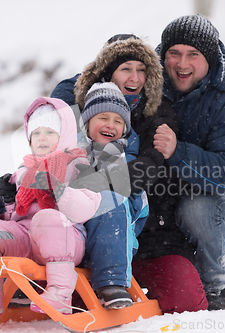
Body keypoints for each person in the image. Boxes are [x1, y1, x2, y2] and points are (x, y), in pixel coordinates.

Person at [51, 35, 209, 314]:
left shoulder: (158, 112)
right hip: (81, 227)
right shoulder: (78, 104)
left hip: (151, 233)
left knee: (186, 302)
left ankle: (116, 278)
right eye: (125, 68)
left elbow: (148, 168)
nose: (135, 78)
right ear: (107, 72)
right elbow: (47, 152)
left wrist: (88, 182)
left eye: (141, 69)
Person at [149, 14, 225, 311]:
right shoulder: (149, 79)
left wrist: (178, 153)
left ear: (208, 58)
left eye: (192, 55)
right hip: (158, 185)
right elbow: (97, 77)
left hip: (215, 192)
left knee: (196, 210)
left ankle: (213, 283)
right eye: (174, 54)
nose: (182, 64)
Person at [0, 97, 103, 316]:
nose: (42, 138)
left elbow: (87, 207)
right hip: (25, 239)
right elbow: (16, 215)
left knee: (47, 218)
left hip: (64, 237)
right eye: (36, 133)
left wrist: (60, 191)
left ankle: (60, 293)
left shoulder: (79, 167)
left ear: (64, 136)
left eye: (50, 132)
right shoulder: (22, 173)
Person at [69, 81, 150, 309]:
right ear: (87, 123)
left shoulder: (122, 159)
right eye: (103, 118)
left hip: (116, 237)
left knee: (111, 203)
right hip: (74, 232)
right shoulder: (69, 153)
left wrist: (90, 181)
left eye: (118, 121)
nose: (110, 125)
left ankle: (111, 282)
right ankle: (28, 283)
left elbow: (135, 207)